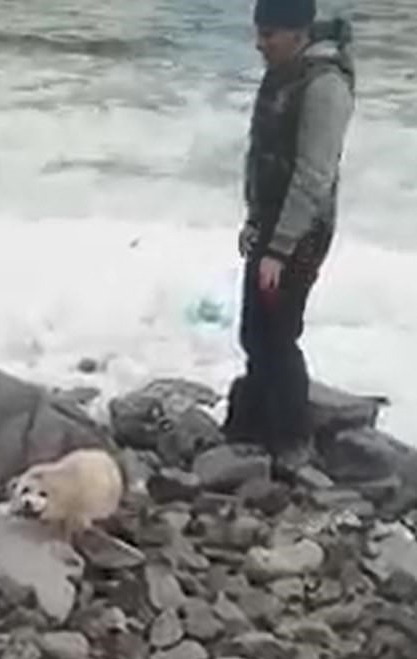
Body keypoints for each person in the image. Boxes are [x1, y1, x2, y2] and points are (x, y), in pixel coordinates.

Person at [222, 0, 355, 473]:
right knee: (254, 331)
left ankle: (293, 441)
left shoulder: (324, 86)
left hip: (301, 232)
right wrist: (254, 222)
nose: (260, 44)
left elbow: (313, 176)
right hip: (272, 225)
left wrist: (280, 247)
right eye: (258, 32)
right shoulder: (282, 71)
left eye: (269, 34)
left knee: (277, 334)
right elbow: (261, 156)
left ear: (299, 33)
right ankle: (251, 427)